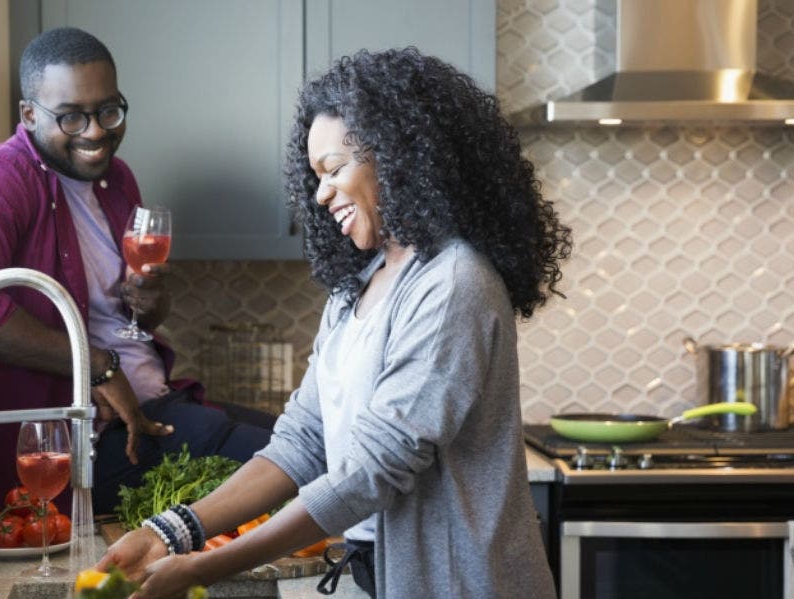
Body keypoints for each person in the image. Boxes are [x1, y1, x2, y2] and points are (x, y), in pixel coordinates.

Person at [97, 47, 571, 598]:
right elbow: (301, 441)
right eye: (315, 175)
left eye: (334, 169)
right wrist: (170, 533)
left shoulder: (454, 283)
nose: (320, 194)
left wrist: (204, 567)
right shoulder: (358, 287)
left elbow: (372, 471)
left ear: (399, 156)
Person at [0, 27, 274, 514]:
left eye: (108, 110)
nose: (95, 131)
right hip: (87, 444)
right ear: (29, 114)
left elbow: (133, 316)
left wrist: (151, 303)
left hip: (158, 404)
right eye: (70, 117)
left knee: (302, 437)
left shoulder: (115, 177)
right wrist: (95, 364)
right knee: (307, 463)